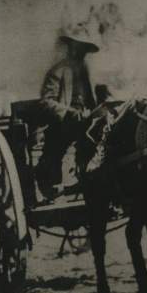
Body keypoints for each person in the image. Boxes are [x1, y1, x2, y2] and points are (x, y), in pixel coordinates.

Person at [35, 22, 100, 200]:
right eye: (78, 48)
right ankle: (54, 183)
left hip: (87, 124)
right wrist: (70, 112)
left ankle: (96, 184)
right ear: (71, 47)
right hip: (63, 125)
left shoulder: (88, 72)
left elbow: (93, 100)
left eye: (84, 49)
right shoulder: (59, 71)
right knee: (58, 147)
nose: (81, 53)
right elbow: (46, 102)